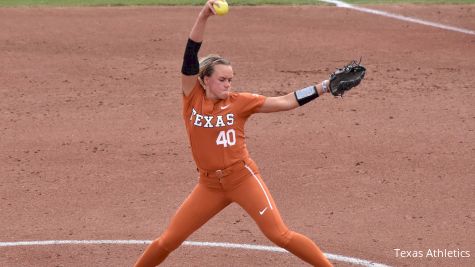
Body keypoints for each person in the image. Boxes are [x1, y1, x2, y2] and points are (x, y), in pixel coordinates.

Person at [134, 1, 338, 266]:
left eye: (230, 79)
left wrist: (323, 87)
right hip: (208, 186)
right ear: (205, 79)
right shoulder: (191, 96)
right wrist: (203, 16)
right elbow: (190, 54)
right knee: (169, 240)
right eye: (222, 79)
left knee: (280, 235)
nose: (228, 84)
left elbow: (285, 101)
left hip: (242, 178)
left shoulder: (241, 101)